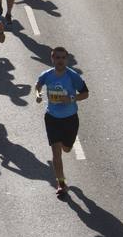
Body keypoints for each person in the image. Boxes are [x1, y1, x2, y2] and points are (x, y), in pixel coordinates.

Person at [36, 47, 89, 198]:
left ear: (67, 60)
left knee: (66, 148)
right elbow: (38, 85)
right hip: (52, 118)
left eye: (63, 58)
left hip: (70, 119)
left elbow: (85, 94)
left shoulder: (73, 76)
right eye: (57, 58)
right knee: (56, 152)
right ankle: (61, 182)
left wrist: (71, 99)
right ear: (52, 59)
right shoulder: (46, 75)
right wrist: (38, 94)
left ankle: (68, 145)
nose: (60, 61)